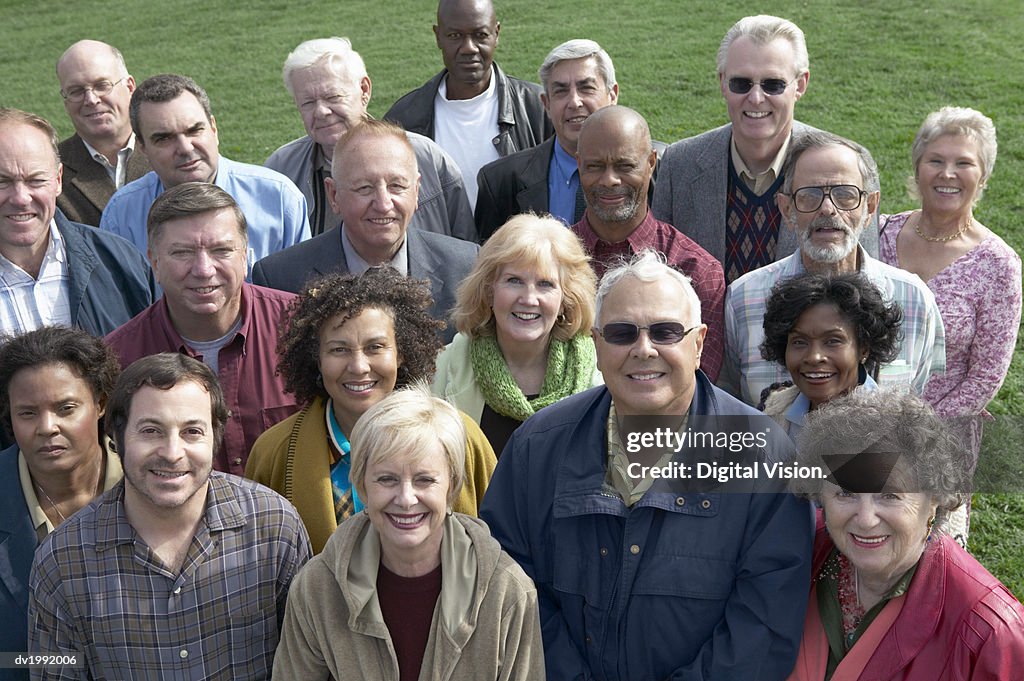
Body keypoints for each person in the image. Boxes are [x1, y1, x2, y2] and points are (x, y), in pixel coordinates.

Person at [481, 249, 813, 680]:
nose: (643, 349)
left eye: (665, 332)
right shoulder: (537, 448)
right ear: (597, 344)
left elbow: (763, 628)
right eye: (621, 333)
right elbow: (508, 587)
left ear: (699, 343)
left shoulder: (765, 458)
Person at [28, 353, 312, 680]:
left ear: (214, 438)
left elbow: (310, 662)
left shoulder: (274, 526)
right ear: (116, 438)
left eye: (192, 432)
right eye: (151, 431)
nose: (172, 452)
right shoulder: (62, 561)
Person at [273, 384, 543, 679]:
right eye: (387, 479)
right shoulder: (317, 588)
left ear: (451, 486)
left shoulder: (507, 590)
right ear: (362, 485)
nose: (405, 499)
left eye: (425, 480)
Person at [246, 268, 496, 554]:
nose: (359, 366)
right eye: (339, 350)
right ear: (317, 359)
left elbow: (497, 545)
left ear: (400, 352)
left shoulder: (462, 437)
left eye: (375, 347)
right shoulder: (273, 453)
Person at [786, 389, 1024, 681]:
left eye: (889, 495)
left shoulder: (988, 632)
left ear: (935, 498)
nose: (866, 519)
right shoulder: (798, 553)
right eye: (846, 492)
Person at [721, 130, 945, 406]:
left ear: (870, 207)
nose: (827, 208)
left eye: (845, 195)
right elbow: (731, 404)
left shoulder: (914, 300)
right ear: (787, 209)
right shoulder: (743, 299)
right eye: (809, 195)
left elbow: (918, 399)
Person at [652, 15, 878, 283]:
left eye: (773, 84)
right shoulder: (680, 164)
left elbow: (862, 282)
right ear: (723, 82)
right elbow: (659, 274)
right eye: (741, 83)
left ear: (801, 84)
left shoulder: (848, 167)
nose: (756, 98)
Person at [105, 183, 298, 476]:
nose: (204, 269)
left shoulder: (302, 328)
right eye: (182, 253)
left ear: (246, 255)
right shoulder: (119, 360)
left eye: (221, 250)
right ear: (154, 262)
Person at [252, 120, 478, 342]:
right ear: (333, 195)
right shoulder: (279, 280)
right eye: (364, 188)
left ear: (416, 191)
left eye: (396, 186)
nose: (383, 204)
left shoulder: (467, 268)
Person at [878, 107, 1021, 461]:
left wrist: (914, 434)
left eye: (964, 163)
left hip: (939, 441)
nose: (948, 174)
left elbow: (985, 378)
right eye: (936, 160)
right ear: (917, 167)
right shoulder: (877, 234)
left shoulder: (998, 264)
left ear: (983, 175)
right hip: (860, 422)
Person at [571, 105, 726, 380]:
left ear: (651, 163)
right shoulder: (553, 264)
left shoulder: (697, 271)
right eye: (595, 167)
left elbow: (698, 386)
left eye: (625, 166)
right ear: (578, 163)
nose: (609, 180)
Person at [266, 37, 475, 240]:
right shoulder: (281, 170)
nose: (321, 111)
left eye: (333, 97)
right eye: (308, 102)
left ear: (364, 90)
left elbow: (465, 249)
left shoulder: (426, 158)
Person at [0, 327, 122, 672]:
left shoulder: (155, 483)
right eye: (27, 413)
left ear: (100, 403)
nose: (47, 426)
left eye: (66, 408)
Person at [100, 73, 310, 267]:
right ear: (142, 148)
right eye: (164, 138)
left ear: (213, 129)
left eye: (194, 130)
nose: (185, 148)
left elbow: (301, 293)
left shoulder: (279, 199)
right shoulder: (121, 215)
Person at [433, 213, 600, 453]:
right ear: (489, 291)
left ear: (566, 299)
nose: (529, 299)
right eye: (514, 281)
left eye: (545, 284)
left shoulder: (599, 371)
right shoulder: (443, 366)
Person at [0, 107, 155, 337]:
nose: (21, 198)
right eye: (3, 181)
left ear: (58, 180)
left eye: (36, 181)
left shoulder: (120, 262)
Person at [384, 0, 552, 208]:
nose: (468, 48)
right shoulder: (404, 119)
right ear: (438, 36)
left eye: (480, 35)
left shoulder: (538, 107)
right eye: (455, 36)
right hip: (438, 241)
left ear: (496, 34)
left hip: (515, 241)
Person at [474, 38, 619, 238]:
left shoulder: (655, 169)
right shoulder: (500, 182)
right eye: (561, 91)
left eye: (586, 88)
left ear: (613, 95)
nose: (574, 102)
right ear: (546, 104)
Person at [758, 272, 902, 436]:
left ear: (864, 348)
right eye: (799, 342)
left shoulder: (894, 427)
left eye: (833, 341)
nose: (814, 357)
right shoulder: (774, 410)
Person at [55, 40, 151, 226]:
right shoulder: (50, 170)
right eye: (76, 91)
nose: (91, 99)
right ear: (66, 101)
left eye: (101, 85)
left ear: (130, 87)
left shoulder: (169, 150)